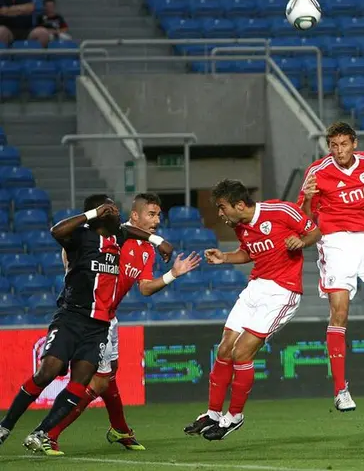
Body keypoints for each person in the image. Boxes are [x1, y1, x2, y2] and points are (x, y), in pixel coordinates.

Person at [0, 195, 173, 454]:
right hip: (71, 318)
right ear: (101, 213)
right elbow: (56, 230)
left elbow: (129, 229)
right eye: (111, 209)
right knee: (47, 373)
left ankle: (43, 433)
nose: (117, 212)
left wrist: (158, 241)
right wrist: (93, 214)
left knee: (82, 383)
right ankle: (5, 427)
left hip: (99, 326)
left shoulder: (119, 238)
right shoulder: (80, 238)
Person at [47, 193, 201, 455]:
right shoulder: (115, 237)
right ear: (135, 215)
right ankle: (48, 433)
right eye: (150, 214)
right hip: (91, 317)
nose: (156, 220)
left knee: (110, 373)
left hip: (110, 317)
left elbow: (145, 289)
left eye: (158, 216)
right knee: (98, 382)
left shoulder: (145, 249)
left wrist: (172, 274)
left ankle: (120, 429)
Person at [184, 180, 321, 440]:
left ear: (238, 205)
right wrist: (225, 257)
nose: (220, 214)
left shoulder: (280, 211)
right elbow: (248, 254)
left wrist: (301, 242)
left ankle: (234, 417)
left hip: (283, 291)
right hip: (255, 288)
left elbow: (315, 232)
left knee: (242, 352)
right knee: (224, 348)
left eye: (222, 208)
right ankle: (213, 414)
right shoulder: (240, 226)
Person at [297, 121, 364, 411]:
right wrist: (306, 197)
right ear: (329, 147)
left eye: (344, 144)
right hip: (335, 242)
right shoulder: (317, 172)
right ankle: (341, 389)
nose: (339, 151)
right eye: (334, 146)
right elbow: (304, 220)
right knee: (340, 311)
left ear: (354, 143)